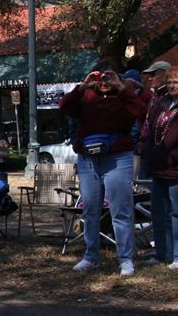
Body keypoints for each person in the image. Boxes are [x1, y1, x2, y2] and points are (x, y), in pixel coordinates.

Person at [59, 60, 143, 276]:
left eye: (108, 76)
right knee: (91, 209)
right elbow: (64, 107)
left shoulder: (122, 97)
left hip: (117, 159)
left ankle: (125, 259)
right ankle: (91, 257)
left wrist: (121, 88)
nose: (104, 82)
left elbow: (137, 111)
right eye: (99, 77)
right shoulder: (86, 97)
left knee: (120, 210)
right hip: (89, 159)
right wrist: (83, 87)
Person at [140, 66, 178, 269]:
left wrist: (174, 157)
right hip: (158, 166)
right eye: (170, 82)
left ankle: (177, 255)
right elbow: (150, 131)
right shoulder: (160, 105)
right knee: (158, 211)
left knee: (176, 212)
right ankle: (163, 253)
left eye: (176, 82)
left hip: (175, 169)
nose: (172, 86)